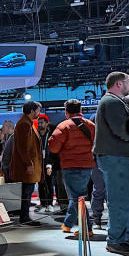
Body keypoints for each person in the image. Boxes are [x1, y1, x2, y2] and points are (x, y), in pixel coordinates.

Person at [94, 71, 129, 256]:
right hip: (117, 158)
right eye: (128, 81)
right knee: (120, 201)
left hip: (120, 158)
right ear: (118, 84)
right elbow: (125, 129)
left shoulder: (113, 102)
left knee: (127, 200)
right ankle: (116, 240)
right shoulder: (111, 102)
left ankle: (123, 237)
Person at [48, 99, 96, 236]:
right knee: (78, 196)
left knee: (76, 197)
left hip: (70, 166)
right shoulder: (91, 125)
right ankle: (70, 224)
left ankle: (85, 228)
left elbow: (54, 147)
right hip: (87, 166)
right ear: (80, 110)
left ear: (66, 112)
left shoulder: (63, 126)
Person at [10, 100, 43, 226]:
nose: (39, 113)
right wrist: (29, 163)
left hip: (28, 165)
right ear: (32, 111)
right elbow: (24, 147)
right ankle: (24, 217)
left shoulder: (26, 123)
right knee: (26, 192)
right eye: (38, 110)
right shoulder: (24, 124)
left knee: (27, 192)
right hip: (26, 166)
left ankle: (25, 216)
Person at [36, 114, 56, 213]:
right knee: (40, 184)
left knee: (49, 183)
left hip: (49, 162)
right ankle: (43, 203)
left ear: (47, 123)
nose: (40, 125)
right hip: (38, 163)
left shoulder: (51, 135)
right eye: (39, 123)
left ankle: (50, 204)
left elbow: (52, 151)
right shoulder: (36, 135)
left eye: (42, 123)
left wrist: (50, 164)